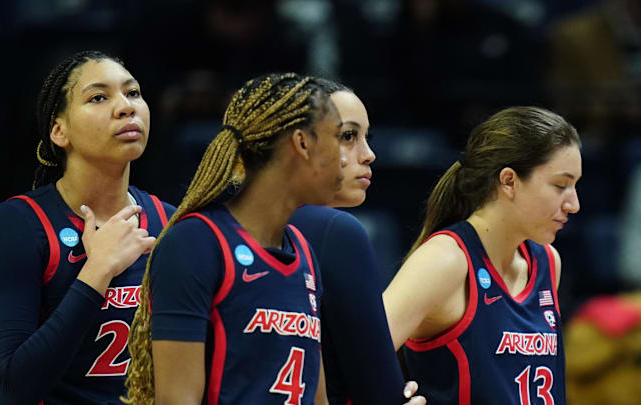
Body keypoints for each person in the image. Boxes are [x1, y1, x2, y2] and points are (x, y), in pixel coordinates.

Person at [125, 73, 345, 405]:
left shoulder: (303, 251)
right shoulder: (196, 242)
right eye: (340, 137)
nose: (346, 156)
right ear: (302, 143)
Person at [0, 50, 174, 405]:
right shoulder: (17, 226)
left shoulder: (171, 223)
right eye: (98, 97)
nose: (126, 107)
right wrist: (97, 270)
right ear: (59, 131)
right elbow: (11, 389)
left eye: (133, 93)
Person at [383, 106, 581, 405]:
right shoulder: (445, 260)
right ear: (509, 181)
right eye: (561, 186)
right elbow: (353, 359)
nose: (574, 204)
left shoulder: (547, 262)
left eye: (575, 186)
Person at [289, 80, 425, 405]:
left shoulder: (213, 224)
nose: (369, 155)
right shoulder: (335, 231)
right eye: (349, 137)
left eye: (367, 138)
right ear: (300, 143)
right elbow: (382, 394)